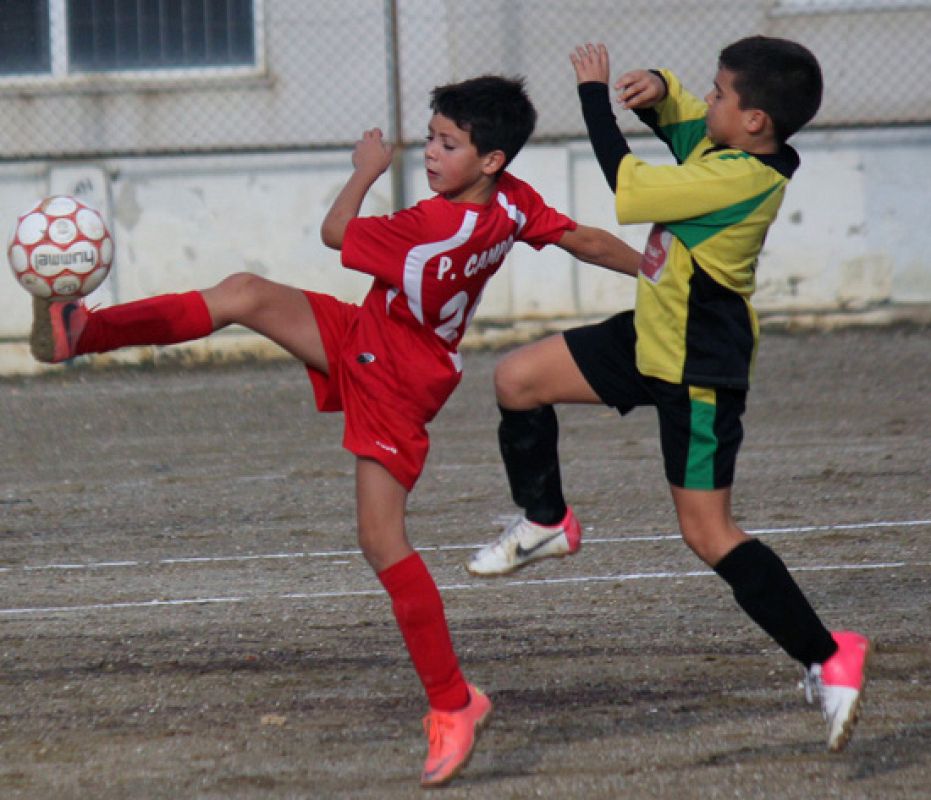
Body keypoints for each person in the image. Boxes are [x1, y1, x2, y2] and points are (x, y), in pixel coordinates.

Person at [28, 75, 641, 787]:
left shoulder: (429, 228)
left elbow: (332, 233)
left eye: (448, 144)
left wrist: (364, 172)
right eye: (434, 137)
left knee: (381, 541)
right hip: (373, 335)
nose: (433, 153)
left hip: (396, 379)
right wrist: (653, 269)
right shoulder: (511, 202)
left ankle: (454, 702)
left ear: (490, 159)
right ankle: (83, 331)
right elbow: (582, 239)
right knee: (245, 293)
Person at [467, 38, 870, 753]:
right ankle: (546, 521)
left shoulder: (744, 178)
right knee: (517, 379)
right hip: (651, 333)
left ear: (753, 123)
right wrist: (661, 89)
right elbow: (691, 127)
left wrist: (593, 95)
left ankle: (826, 655)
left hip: (698, 369)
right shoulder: (729, 152)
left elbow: (630, 186)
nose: (707, 101)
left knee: (708, 534)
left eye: (719, 94)